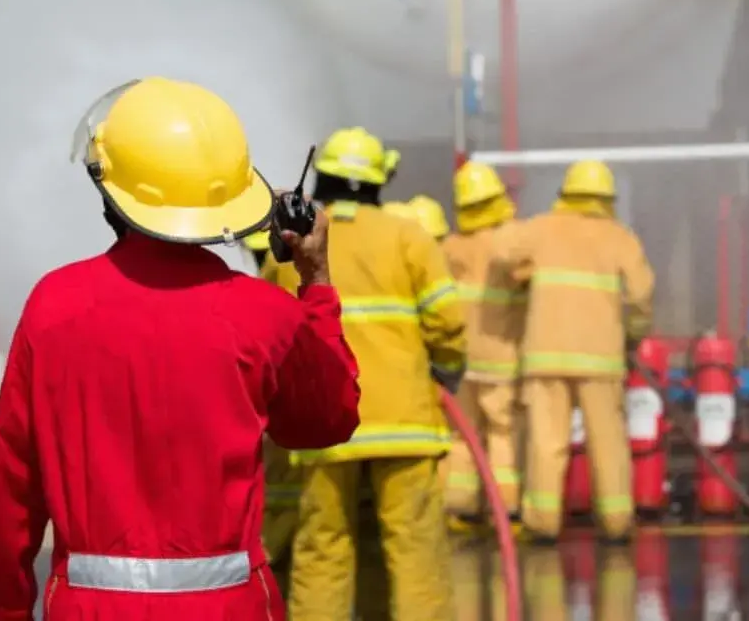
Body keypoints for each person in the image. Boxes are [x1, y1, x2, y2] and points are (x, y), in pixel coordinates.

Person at [0, 76, 361, 621]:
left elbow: (13, 477)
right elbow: (327, 421)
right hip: (231, 609)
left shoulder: (53, 306)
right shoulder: (265, 314)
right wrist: (315, 279)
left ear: (109, 190)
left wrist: (4, 610)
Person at [262, 126, 466, 620]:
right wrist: (446, 371)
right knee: (414, 551)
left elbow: (270, 328)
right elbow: (448, 323)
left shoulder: (292, 245)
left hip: (326, 425)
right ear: (379, 180)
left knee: (324, 547)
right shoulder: (407, 236)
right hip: (404, 425)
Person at [490, 159, 654, 545]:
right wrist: (632, 336)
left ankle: (542, 524)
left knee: (547, 443)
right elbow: (641, 295)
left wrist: (518, 256)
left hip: (545, 356)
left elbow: (501, 251)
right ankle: (616, 523)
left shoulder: (542, 229)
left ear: (565, 193)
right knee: (607, 443)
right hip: (601, 359)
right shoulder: (620, 238)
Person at [441, 161, 527, 533]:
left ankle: (461, 509)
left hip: (461, 359)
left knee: (463, 435)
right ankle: (506, 511)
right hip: (501, 359)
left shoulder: (450, 247)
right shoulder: (509, 243)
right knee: (503, 433)